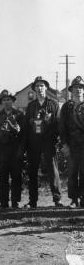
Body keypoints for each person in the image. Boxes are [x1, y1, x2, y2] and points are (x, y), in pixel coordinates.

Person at [23, 76, 62, 208]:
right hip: (33, 143)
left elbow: (58, 124)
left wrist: (55, 139)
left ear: (46, 87)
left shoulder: (53, 104)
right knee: (33, 171)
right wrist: (26, 145)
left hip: (48, 142)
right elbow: (26, 127)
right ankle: (32, 201)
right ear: (34, 89)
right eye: (37, 86)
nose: (39, 88)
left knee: (53, 170)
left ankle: (57, 199)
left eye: (42, 86)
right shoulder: (30, 106)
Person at [61, 77, 84, 207]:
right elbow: (62, 128)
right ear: (71, 90)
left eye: (80, 87)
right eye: (75, 88)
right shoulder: (66, 107)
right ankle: (74, 200)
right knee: (72, 173)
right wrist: (64, 145)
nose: (78, 90)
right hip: (71, 146)